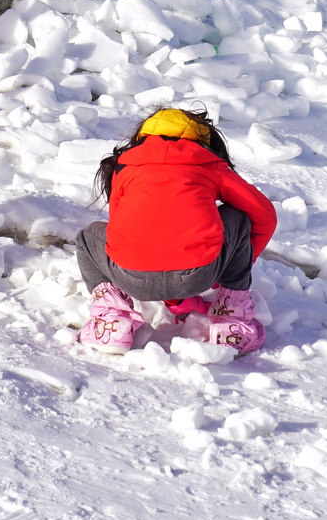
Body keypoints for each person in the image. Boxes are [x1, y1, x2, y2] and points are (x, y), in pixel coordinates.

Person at [76, 107, 278, 354]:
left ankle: (111, 322)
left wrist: (168, 290)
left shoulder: (125, 167)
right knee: (238, 217)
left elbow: (127, 232)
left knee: (88, 238)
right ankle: (231, 323)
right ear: (203, 139)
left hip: (130, 277)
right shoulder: (209, 163)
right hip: (198, 274)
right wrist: (231, 267)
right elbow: (264, 215)